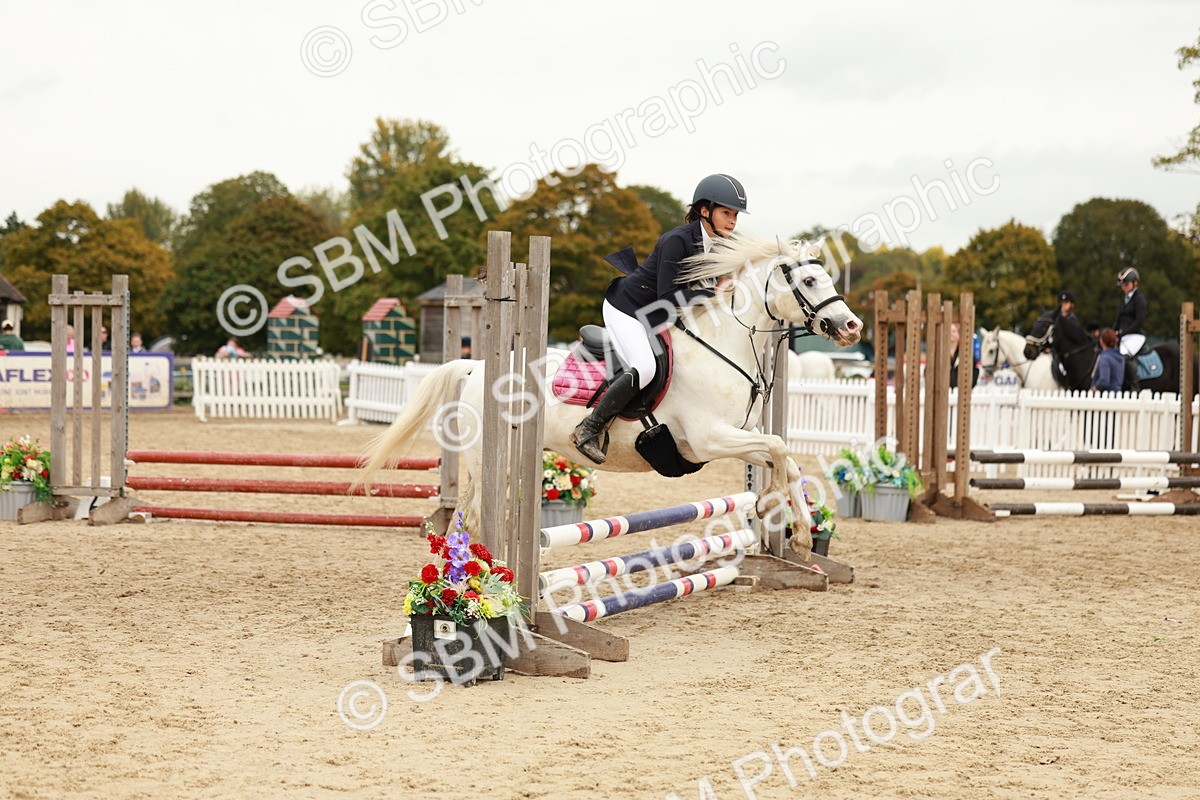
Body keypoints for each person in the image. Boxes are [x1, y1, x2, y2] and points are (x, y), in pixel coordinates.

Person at [571, 173, 747, 464]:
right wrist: (712, 293)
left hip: (655, 312)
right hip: (627, 308)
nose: (732, 221)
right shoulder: (677, 240)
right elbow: (669, 297)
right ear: (705, 211)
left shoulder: (717, 245)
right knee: (645, 367)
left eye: (735, 215)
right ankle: (589, 428)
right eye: (726, 213)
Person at [1113, 267, 1147, 356]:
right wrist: (1113, 331)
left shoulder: (1139, 299)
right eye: (1122, 285)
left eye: (1126, 284)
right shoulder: (1123, 299)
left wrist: (1123, 332)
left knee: (1123, 355)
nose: (1123, 287)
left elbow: (1139, 321)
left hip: (1135, 336)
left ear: (1135, 283)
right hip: (1122, 336)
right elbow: (1118, 318)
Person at [947, 322, 978, 389]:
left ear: (959, 334)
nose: (951, 333)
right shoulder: (940, 353)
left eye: (954, 331)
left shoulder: (966, 353)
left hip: (961, 391)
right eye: (949, 331)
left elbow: (973, 372)